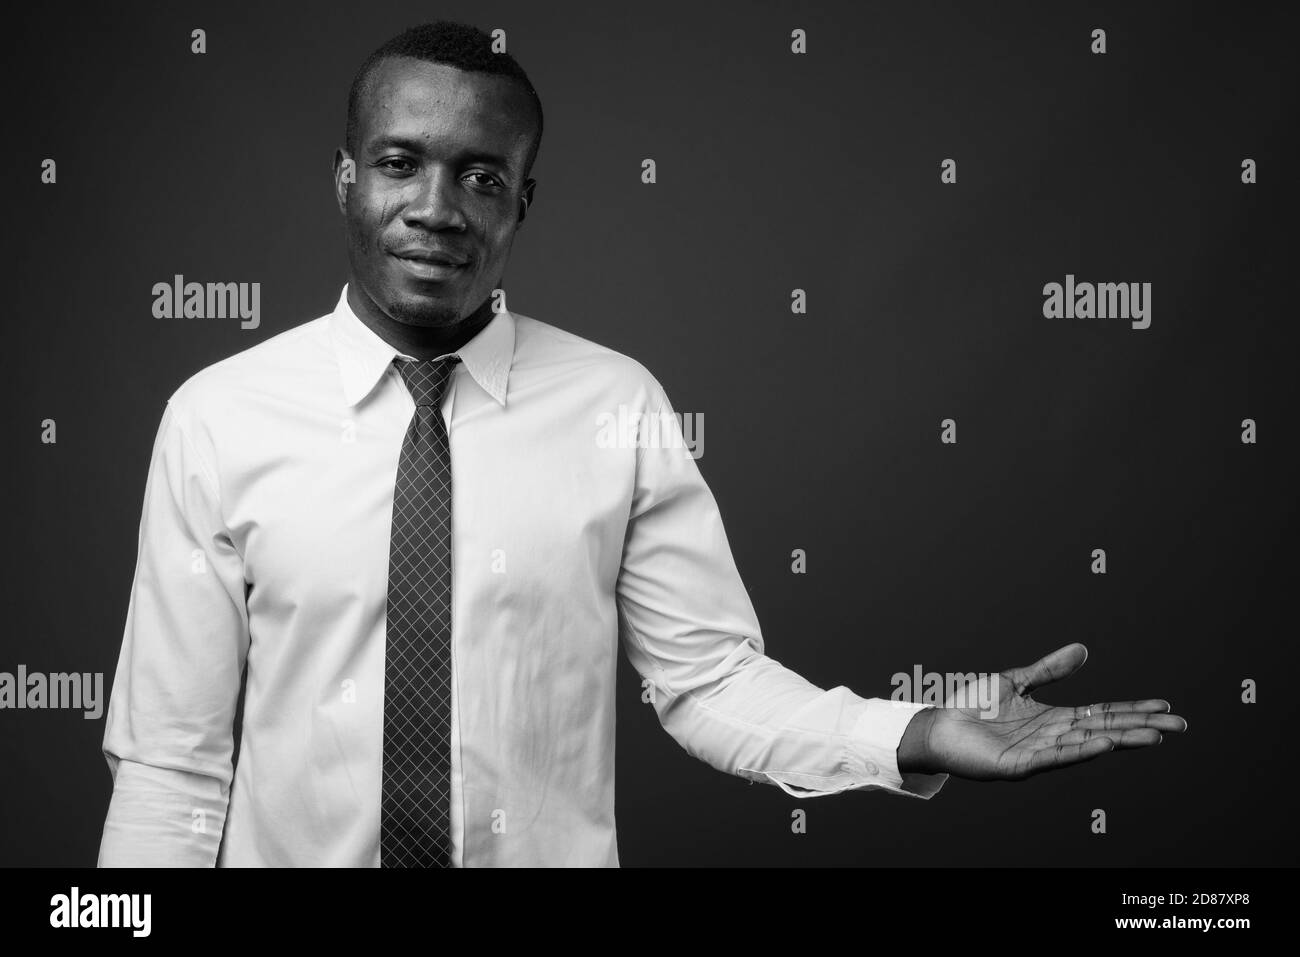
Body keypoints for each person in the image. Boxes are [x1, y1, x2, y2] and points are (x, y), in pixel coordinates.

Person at [97, 20, 1186, 868]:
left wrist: (911, 733)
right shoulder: (219, 415)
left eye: (481, 176)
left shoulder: (616, 402)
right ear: (345, 177)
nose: (437, 207)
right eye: (399, 163)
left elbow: (708, 682)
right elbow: (172, 765)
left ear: (522, 202)